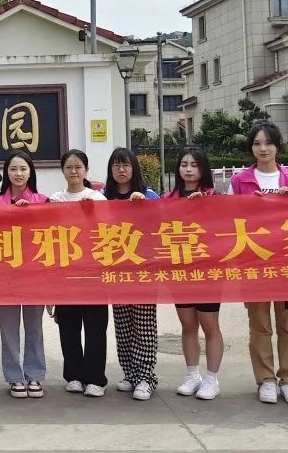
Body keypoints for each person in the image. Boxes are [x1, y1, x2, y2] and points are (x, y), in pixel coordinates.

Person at [228, 121, 288, 405]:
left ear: (278, 146)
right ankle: (265, 379)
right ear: (251, 148)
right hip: (254, 263)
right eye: (257, 143)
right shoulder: (240, 181)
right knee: (259, 325)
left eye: (268, 143)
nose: (263, 148)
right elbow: (227, 218)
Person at [0, 150, 49, 399]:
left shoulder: (43, 201)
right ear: (6, 173)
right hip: (5, 275)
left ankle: (34, 374)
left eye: (23, 169)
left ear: (31, 172)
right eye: (13, 169)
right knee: (8, 329)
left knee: (35, 328)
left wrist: (31, 213)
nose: (18, 174)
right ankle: (14, 377)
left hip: (35, 275)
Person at [49, 149, 110, 397]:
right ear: (62, 171)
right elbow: (50, 234)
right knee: (68, 326)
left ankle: (95, 378)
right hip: (66, 273)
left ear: (86, 170)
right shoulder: (55, 199)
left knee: (95, 327)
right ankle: (73, 375)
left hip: (93, 273)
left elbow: (108, 233)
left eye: (78, 167)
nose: (73, 171)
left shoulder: (97, 199)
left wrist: (90, 213)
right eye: (69, 167)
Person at [163, 148, 222, 401]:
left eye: (194, 165)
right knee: (188, 325)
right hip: (181, 270)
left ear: (203, 169)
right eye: (184, 164)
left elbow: (225, 229)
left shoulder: (215, 197)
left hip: (208, 272)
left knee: (209, 325)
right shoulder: (168, 198)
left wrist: (205, 207)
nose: (188, 169)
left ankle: (211, 379)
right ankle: (192, 375)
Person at [103, 147, 160, 402]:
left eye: (126, 165)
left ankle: (146, 377)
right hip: (116, 272)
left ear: (134, 168)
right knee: (123, 325)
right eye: (116, 165)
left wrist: (145, 206)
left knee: (144, 326)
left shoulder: (149, 195)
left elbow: (163, 224)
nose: (121, 170)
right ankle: (129, 373)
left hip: (143, 272)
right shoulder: (103, 198)